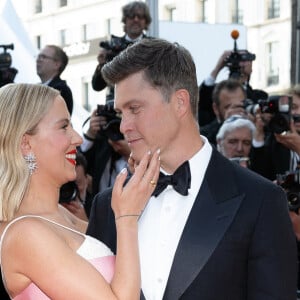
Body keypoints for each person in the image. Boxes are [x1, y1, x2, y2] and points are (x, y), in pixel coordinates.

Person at [87, 38, 297, 299]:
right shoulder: (108, 206)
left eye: (135, 109)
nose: (123, 126)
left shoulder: (260, 201)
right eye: (121, 112)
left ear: (180, 103)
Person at [0, 83, 160, 299]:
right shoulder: (25, 234)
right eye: (63, 127)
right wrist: (126, 218)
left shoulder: (62, 215)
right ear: (26, 144)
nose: (77, 138)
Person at [91, 1, 152, 101]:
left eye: (140, 16)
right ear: (125, 20)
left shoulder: (152, 46)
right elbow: (97, 86)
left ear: (146, 21)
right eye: (132, 16)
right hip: (117, 103)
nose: (136, 19)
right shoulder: (112, 46)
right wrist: (101, 65)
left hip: (144, 100)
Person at [198, 49, 268, 127]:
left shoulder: (259, 96)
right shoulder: (218, 92)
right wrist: (218, 68)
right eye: (227, 106)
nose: (241, 63)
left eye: (246, 59)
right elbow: (202, 99)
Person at [200, 78, 247, 146]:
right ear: (216, 109)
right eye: (228, 107)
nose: (235, 111)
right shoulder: (202, 136)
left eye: (239, 106)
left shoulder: (255, 128)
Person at [36, 44, 73, 115]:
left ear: (57, 64)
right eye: (38, 57)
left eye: (43, 57)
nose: (38, 60)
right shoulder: (38, 88)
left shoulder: (60, 90)